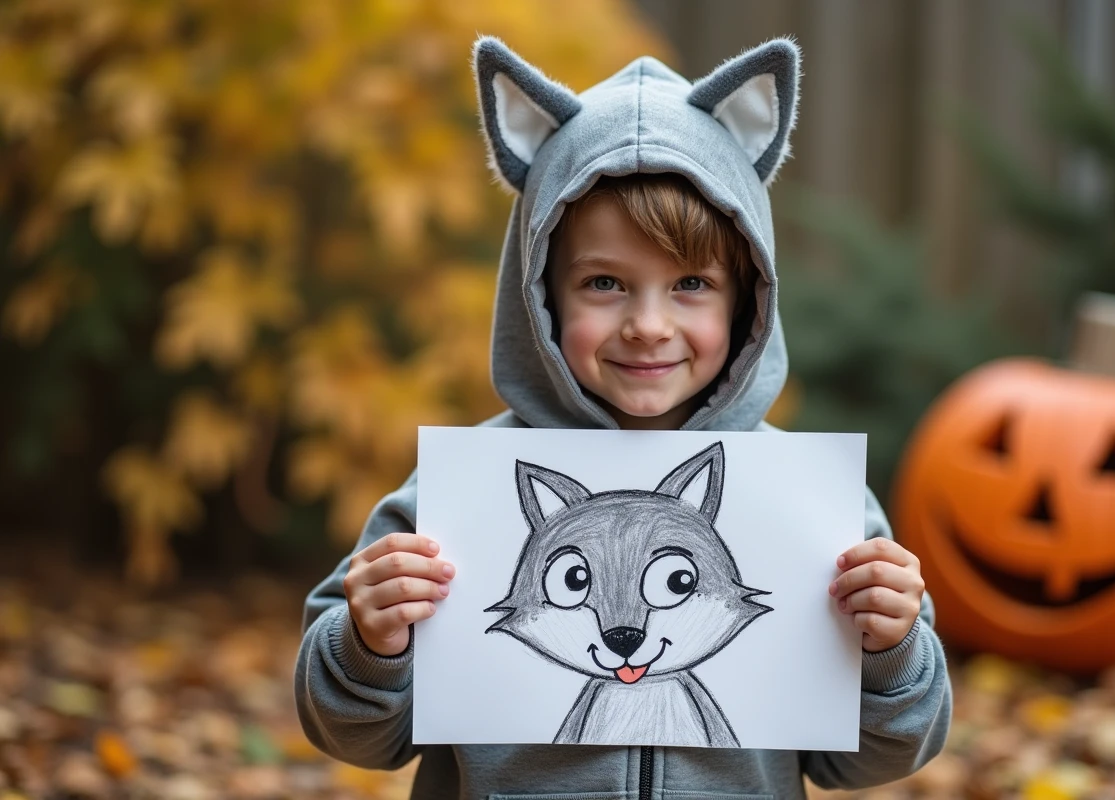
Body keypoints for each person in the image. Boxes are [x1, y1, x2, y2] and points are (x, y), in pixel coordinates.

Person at [295, 36, 951, 799]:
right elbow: (357, 737)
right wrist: (369, 642)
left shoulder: (819, 514)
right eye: (605, 282)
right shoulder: (445, 506)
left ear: (747, 300)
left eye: (691, 284)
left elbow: (871, 760)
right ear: (540, 293)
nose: (647, 324)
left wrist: (891, 651)